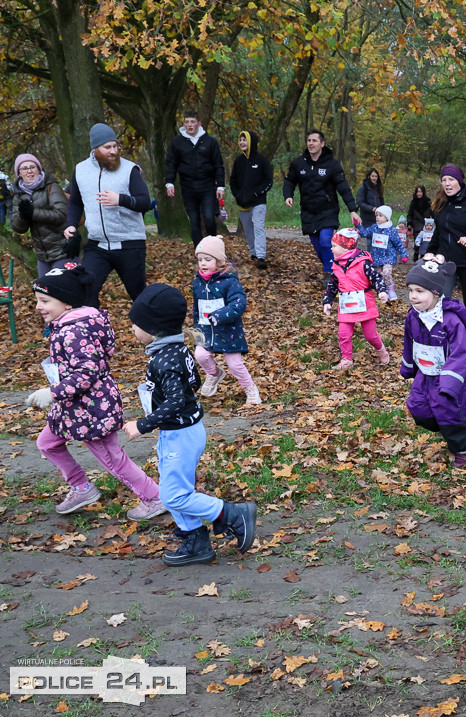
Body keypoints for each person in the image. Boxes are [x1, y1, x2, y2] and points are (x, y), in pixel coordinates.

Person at [123, 283, 256, 566]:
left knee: (173, 496)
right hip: (182, 431)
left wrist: (144, 424)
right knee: (175, 490)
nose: (133, 329)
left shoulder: (164, 359)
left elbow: (175, 402)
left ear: (154, 327)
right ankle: (196, 542)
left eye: (136, 324)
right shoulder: (178, 350)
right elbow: (193, 384)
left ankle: (232, 513)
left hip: (181, 435)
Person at [24, 263, 164, 520]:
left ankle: (154, 497)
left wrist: (53, 392)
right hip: (71, 406)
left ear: (67, 303)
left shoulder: (74, 331)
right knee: (47, 442)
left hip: (92, 407)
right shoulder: (68, 325)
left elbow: (86, 373)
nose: (38, 307)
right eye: (37, 300)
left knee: (113, 459)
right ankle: (81, 487)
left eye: (44, 300)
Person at [63, 123, 151, 308]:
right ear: (95, 149)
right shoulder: (81, 170)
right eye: (107, 147)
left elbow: (144, 202)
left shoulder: (129, 169)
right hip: (97, 246)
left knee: (139, 296)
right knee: (86, 290)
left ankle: (155, 333)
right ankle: (93, 331)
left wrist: (120, 199)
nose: (113, 151)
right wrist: (71, 225)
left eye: (115, 146)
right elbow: (75, 202)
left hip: (129, 244)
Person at [401, 258, 466, 466]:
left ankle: (464, 447)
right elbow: (409, 342)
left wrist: (449, 383)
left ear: (435, 293)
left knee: (448, 412)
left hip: (449, 376)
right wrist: (408, 367)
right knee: (418, 408)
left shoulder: (450, 320)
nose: (413, 296)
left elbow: (459, 353)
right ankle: (450, 427)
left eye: (420, 291)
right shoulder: (413, 316)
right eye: (411, 290)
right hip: (425, 374)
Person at [423, 164, 466, 350]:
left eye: (451, 180)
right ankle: (444, 334)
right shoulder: (441, 202)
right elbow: (439, 232)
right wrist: (430, 251)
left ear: (459, 181)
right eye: (444, 180)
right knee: (442, 299)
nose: (447, 183)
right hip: (447, 261)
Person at [282, 129, 361, 286]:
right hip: (308, 211)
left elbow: (343, 186)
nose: (311, 143)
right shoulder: (299, 163)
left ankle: (330, 273)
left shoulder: (332, 164)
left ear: (322, 144)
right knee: (318, 246)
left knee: (326, 241)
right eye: (309, 140)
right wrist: (288, 195)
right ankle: (334, 267)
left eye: (314, 141)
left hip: (328, 211)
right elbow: (290, 181)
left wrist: (352, 209)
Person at [191, 235, 261, 405]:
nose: (203, 263)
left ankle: (250, 388)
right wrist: (196, 329)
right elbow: (196, 308)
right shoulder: (198, 283)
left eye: (208, 259)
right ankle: (214, 373)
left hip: (228, 331)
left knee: (235, 365)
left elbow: (239, 303)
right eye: (200, 259)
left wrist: (220, 315)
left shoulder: (230, 282)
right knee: (200, 354)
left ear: (219, 261)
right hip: (206, 330)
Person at [323, 228, 390, 372]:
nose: (331, 248)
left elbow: (376, 277)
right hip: (346, 305)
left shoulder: (363, 263)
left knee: (370, 335)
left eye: (334, 246)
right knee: (343, 334)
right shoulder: (337, 266)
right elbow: (332, 285)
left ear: (346, 246)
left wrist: (382, 291)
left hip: (364, 304)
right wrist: (327, 301)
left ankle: (381, 349)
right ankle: (346, 359)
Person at [164, 109, 225, 247]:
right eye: (187, 122)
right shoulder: (177, 142)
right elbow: (171, 164)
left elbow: (218, 165)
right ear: (184, 124)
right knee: (194, 220)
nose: (190, 125)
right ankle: (200, 251)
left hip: (207, 186)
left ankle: (214, 247)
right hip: (188, 186)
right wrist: (169, 183)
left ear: (199, 123)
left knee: (209, 218)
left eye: (192, 122)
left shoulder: (210, 142)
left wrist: (220, 185)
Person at [9, 154, 68, 276]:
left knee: (62, 291)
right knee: (43, 292)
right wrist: (24, 216)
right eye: (24, 168)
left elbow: (61, 215)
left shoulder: (51, 187)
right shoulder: (18, 195)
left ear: (39, 169)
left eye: (33, 167)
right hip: (42, 256)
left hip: (63, 250)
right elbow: (17, 227)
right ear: (19, 173)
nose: (29, 171)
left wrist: (33, 213)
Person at [229, 130, 274, 270]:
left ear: (251, 141)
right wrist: (237, 194)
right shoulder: (238, 161)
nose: (242, 142)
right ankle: (254, 252)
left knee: (258, 227)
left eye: (245, 139)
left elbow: (268, 180)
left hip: (258, 202)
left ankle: (261, 256)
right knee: (248, 231)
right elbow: (233, 181)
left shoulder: (261, 160)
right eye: (240, 139)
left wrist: (257, 193)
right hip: (242, 204)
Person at [357, 205, 408, 300]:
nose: (377, 217)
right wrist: (358, 226)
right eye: (376, 215)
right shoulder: (374, 228)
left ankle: (390, 289)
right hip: (376, 257)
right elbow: (364, 233)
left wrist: (404, 254)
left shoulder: (391, 230)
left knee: (387, 273)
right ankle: (382, 290)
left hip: (388, 256)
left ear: (386, 217)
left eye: (380, 215)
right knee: (378, 275)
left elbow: (398, 243)